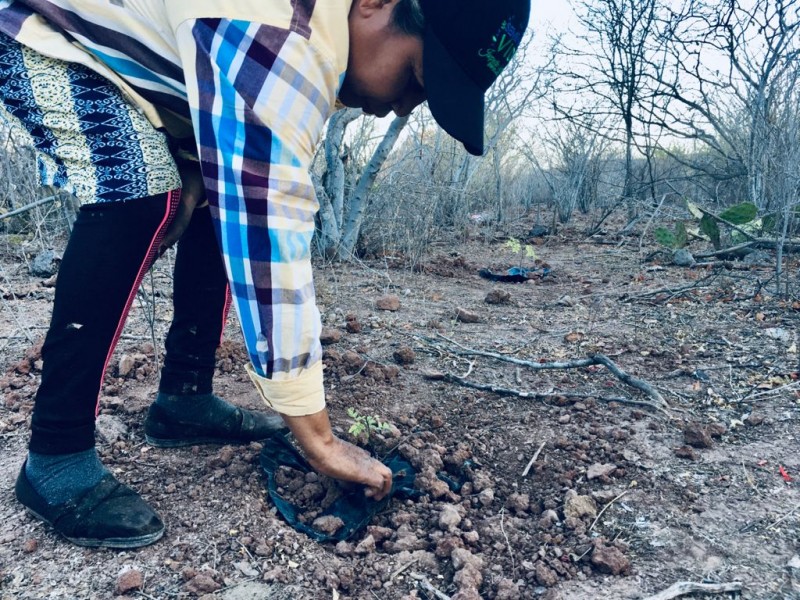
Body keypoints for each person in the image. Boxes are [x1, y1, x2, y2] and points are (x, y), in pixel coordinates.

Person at [1, 0, 530, 548]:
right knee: (142, 193)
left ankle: (184, 400)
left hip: (136, 64)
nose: (403, 108)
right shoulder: (280, 35)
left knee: (217, 185)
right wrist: (321, 441)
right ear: (375, 5)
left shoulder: (308, 34)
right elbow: (268, 230)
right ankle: (56, 455)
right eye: (416, 78)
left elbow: (244, 190)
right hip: (46, 31)